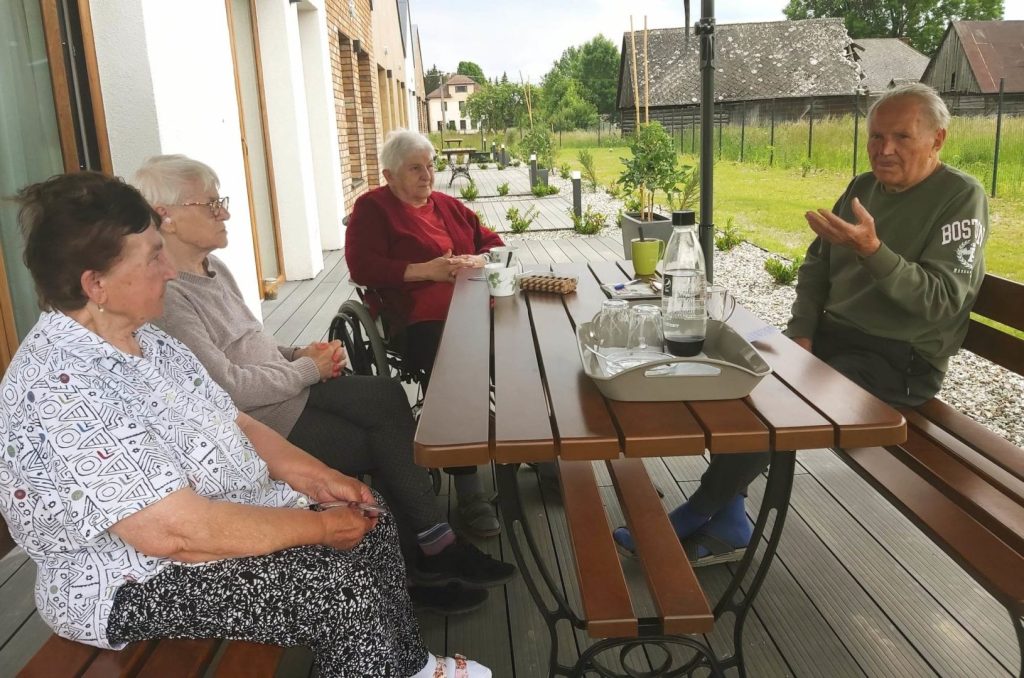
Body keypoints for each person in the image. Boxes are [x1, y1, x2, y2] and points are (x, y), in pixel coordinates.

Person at [0, 172, 491, 678]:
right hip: (132, 580)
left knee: (370, 518)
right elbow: (173, 534)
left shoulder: (148, 340)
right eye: (152, 257)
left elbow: (232, 418)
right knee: (336, 587)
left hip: (216, 521)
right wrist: (319, 527)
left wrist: (317, 478)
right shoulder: (61, 386)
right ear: (95, 284)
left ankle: (407, 666)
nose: (169, 270)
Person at [614, 82, 990, 566]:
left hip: (900, 361)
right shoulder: (862, 187)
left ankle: (699, 510)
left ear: (937, 139)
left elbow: (941, 303)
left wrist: (873, 251)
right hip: (833, 340)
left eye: (902, 137)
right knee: (737, 373)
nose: (884, 149)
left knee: (781, 404)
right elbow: (816, 267)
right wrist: (803, 334)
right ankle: (729, 518)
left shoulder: (960, 197)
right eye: (876, 136)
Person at [132, 155, 514, 615]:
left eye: (221, 201)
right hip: (262, 422)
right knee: (383, 444)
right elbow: (228, 388)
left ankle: (428, 550)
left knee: (386, 395)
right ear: (166, 216)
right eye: (211, 204)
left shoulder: (214, 268)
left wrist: (298, 354)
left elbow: (255, 344)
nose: (226, 213)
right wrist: (308, 370)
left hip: (288, 390)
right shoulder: (171, 298)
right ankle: (424, 562)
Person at [345, 129, 505, 537]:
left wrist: (479, 259)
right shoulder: (372, 209)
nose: (427, 175)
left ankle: (538, 453)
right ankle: (469, 488)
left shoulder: (448, 206)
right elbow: (361, 266)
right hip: (418, 320)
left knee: (527, 348)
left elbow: (494, 243)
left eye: (430, 166)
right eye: (415, 168)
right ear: (389, 175)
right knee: (454, 368)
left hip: (477, 306)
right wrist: (425, 271)